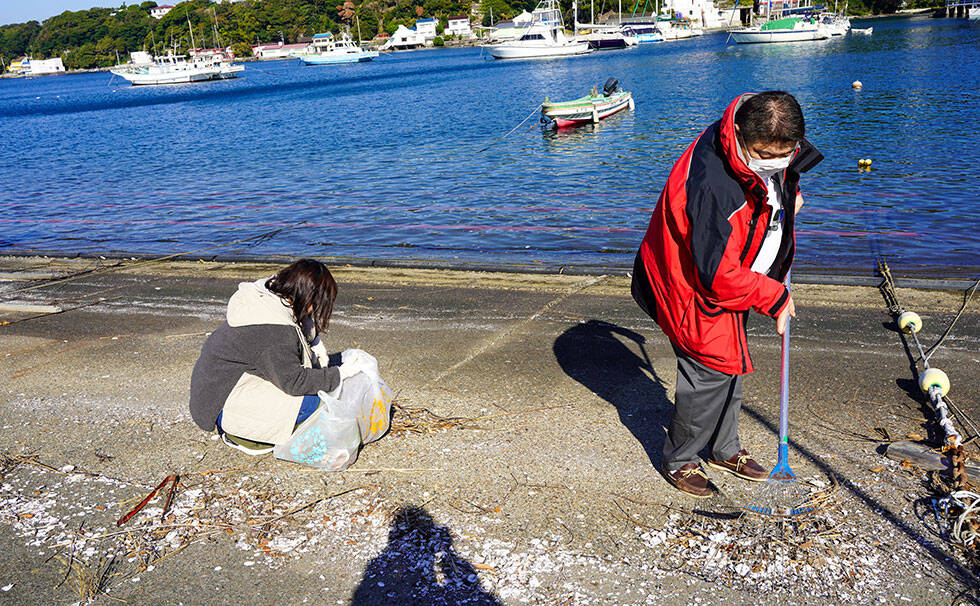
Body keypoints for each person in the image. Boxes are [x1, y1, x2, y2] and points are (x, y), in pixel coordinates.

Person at [631, 91, 823, 498]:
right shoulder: (716, 190)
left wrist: (789, 196)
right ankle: (680, 458)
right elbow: (716, 275)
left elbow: (789, 166)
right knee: (710, 369)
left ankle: (723, 448)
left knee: (730, 360)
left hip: (740, 269)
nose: (775, 161)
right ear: (738, 135)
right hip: (686, 284)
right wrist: (772, 297)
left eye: (783, 153)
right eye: (764, 154)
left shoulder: (759, 126)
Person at [189, 259, 362, 455]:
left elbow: (299, 325)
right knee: (316, 404)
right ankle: (244, 438)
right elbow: (295, 382)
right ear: (309, 298)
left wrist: (314, 341)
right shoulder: (274, 330)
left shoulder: (268, 298)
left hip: (219, 390)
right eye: (318, 303)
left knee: (321, 396)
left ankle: (254, 430)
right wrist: (340, 374)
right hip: (221, 406)